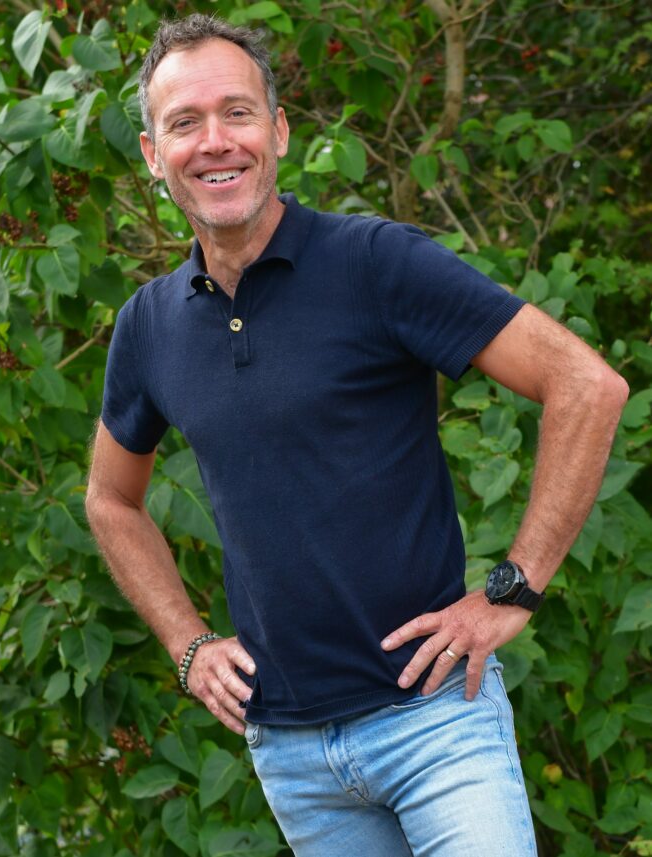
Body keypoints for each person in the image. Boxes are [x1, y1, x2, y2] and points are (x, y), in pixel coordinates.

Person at [85, 14, 628, 857]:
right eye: (185, 122)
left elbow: (587, 386)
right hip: (291, 753)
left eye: (237, 112)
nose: (215, 141)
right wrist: (187, 646)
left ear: (279, 131)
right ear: (154, 155)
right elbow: (111, 501)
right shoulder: (148, 325)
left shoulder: (374, 262)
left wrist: (513, 589)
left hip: (436, 721)